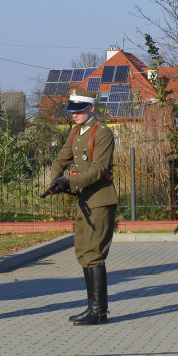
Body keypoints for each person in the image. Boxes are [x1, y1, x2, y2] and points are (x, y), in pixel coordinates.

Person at [46, 89, 118, 325]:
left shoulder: (102, 133)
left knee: (94, 254)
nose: (74, 115)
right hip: (84, 200)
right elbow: (61, 159)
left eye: (79, 110)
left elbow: (98, 169)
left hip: (100, 199)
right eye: (72, 110)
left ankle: (99, 311)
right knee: (83, 253)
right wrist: (55, 179)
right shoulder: (77, 132)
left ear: (91, 109)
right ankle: (92, 307)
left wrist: (70, 182)